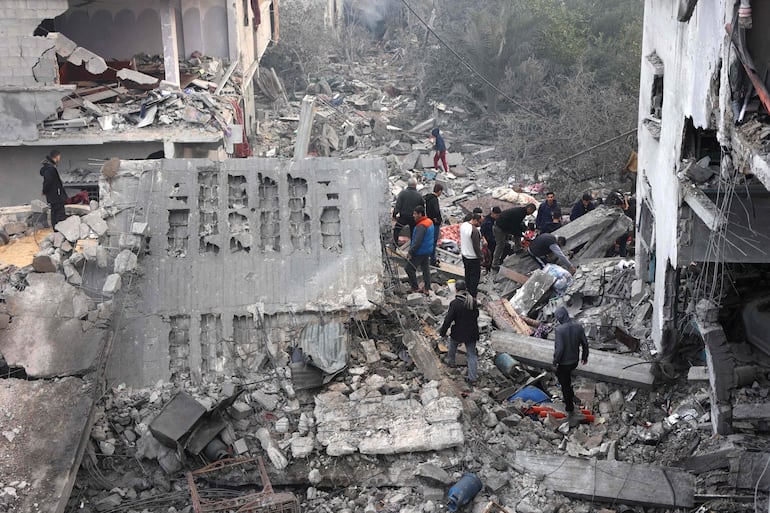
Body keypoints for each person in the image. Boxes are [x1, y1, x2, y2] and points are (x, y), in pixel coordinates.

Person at [552, 306, 589, 426]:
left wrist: (555, 362)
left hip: (564, 363)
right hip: (574, 361)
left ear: (559, 318)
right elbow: (585, 343)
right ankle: (572, 396)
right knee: (567, 377)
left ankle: (569, 408)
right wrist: (584, 356)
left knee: (564, 383)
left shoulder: (559, 330)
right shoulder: (578, 326)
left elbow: (560, 349)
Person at [439, 280, 479, 385]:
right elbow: (476, 315)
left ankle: (451, 363)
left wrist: (442, 332)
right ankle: (472, 378)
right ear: (465, 289)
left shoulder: (455, 303)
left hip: (459, 332)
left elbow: (448, 320)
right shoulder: (472, 301)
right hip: (472, 332)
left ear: (456, 289)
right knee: (471, 354)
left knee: (452, 344)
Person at [492, 203, 537, 270]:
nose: (530, 214)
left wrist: (525, 229)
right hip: (499, 228)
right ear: (529, 209)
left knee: (517, 235)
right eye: (531, 212)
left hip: (505, 227)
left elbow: (519, 223)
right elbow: (514, 227)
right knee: (500, 245)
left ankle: (517, 248)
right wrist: (523, 235)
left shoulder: (521, 212)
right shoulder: (519, 213)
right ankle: (494, 264)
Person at [403, 205, 434, 294]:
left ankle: (415, 287)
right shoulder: (429, 221)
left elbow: (417, 241)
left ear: (420, 214)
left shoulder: (421, 226)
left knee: (409, 268)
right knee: (425, 269)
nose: (413, 216)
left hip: (420, 251)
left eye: (415, 214)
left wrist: (410, 252)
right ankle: (427, 287)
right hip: (427, 249)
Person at [40, 149, 68, 227]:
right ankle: (58, 229)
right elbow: (48, 181)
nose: (60, 158)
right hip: (56, 196)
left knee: (55, 212)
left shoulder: (50, 168)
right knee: (58, 213)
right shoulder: (50, 169)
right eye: (59, 156)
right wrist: (44, 190)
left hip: (54, 196)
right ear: (56, 156)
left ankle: (57, 228)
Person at [392, 177, 424, 243]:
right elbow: (422, 209)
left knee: (396, 230)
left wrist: (394, 215)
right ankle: (412, 247)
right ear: (415, 185)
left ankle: (395, 244)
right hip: (414, 218)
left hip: (403, 217)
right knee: (413, 233)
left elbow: (398, 206)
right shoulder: (419, 195)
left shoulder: (402, 193)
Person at [460, 213, 482, 297]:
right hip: (473, 257)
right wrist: (481, 257)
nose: (479, 224)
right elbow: (476, 246)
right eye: (479, 222)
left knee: (467, 274)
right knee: (474, 277)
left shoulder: (464, 225)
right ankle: (473, 294)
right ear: (475, 220)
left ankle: (468, 290)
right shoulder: (474, 231)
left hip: (464, 255)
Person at [424, 183, 444, 266]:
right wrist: (439, 220)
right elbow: (436, 211)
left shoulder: (427, 197)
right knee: (433, 241)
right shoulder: (434, 199)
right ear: (439, 191)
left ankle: (426, 258)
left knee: (428, 240)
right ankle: (432, 260)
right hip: (434, 223)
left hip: (428, 221)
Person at [480, 206, 500, 271]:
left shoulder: (495, 220)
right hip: (489, 241)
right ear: (493, 213)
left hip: (495, 239)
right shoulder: (486, 222)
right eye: (497, 215)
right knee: (489, 255)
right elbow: (482, 231)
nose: (497, 217)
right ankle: (488, 268)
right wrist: (484, 239)